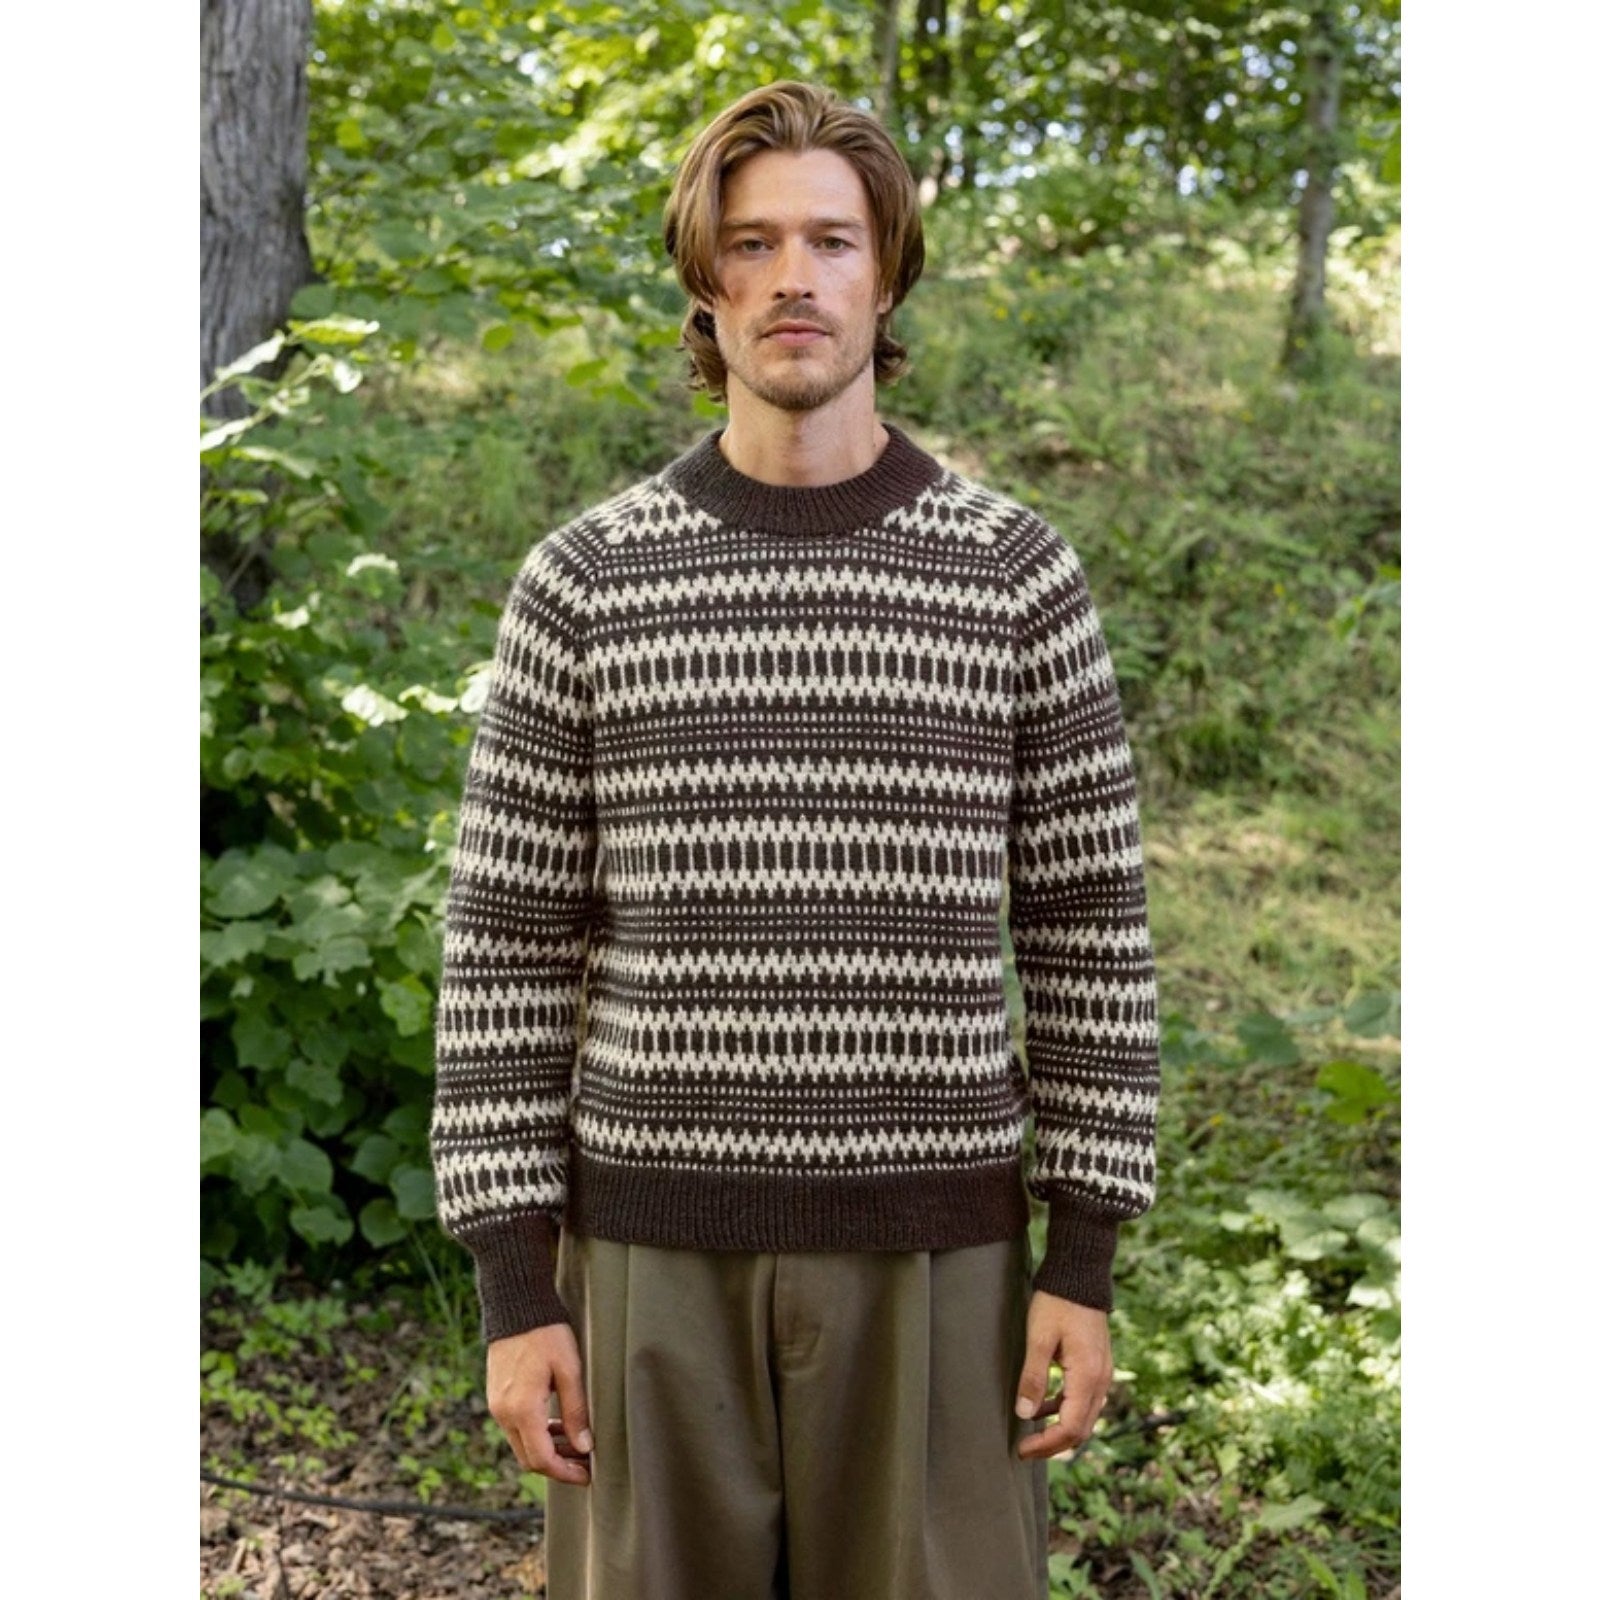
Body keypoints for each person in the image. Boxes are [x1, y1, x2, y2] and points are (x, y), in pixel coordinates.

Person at [429, 78, 1160, 1600]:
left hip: (939, 1260)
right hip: (648, 1259)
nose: (792, 279)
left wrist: (1082, 1256)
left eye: (832, 240)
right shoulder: (587, 584)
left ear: (886, 275)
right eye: (751, 244)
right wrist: (514, 1285)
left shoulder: (1014, 579)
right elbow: (504, 947)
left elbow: (1088, 929)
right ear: (705, 283)